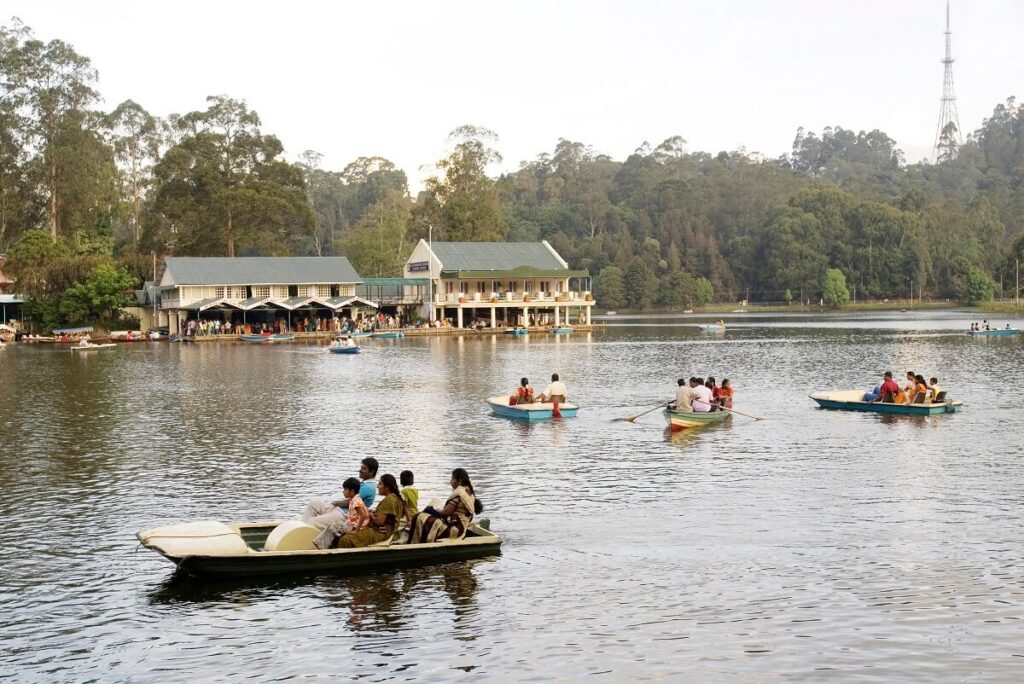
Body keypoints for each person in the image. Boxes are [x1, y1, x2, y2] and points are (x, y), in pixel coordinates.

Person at [407, 468, 483, 544]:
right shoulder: (468, 492)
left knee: (419, 517)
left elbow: (445, 512)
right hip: (460, 527)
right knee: (424, 515)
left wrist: (433, 510)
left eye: (452, 479)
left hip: (454, 530)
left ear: (459, 481)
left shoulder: (459, 493)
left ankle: (414, 543)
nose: (450, 482)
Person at [338, 474, 406, 548]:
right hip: (382, 531)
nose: (377, 486)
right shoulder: (394, 497)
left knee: (346, 540)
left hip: (379, 532)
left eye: (380, 484)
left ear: (387, 487)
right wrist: (373, 512)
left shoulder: (389, 500)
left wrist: (370, 514)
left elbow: (379, 522)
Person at [304, 477, 370, 550]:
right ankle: (321, 544)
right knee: (333, 526)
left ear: (352, 491)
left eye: (345, 490)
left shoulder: (356, 501)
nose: (343, 492)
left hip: (352, 526)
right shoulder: (354, 499)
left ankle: (320, 546)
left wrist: (357, 530)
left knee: (333, 527)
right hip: (350, 524)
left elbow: (364, 515)